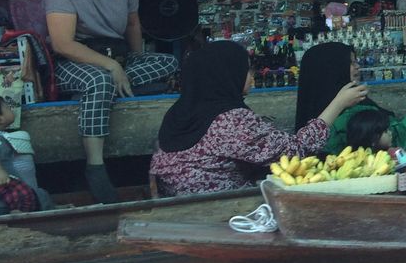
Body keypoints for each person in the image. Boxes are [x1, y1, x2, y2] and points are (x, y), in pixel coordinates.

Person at [45, 0, 179, 203]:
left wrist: (135, 56)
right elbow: (62, 44)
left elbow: (132, 22)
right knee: (99, 80)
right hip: (73, 60)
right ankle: (95, 166)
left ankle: (100, 95)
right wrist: (110, 67)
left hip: (117, 56)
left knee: (169, 62)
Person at [149, 41, 366, 196]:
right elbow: (295, 151)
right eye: (247, 69)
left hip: (179, 204)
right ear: (228, 74)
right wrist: (338, 103)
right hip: (224, 208)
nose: (252, 76)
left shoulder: (178, 112)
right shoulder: (231, 120)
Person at [294, 42, 406, 155]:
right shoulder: (345, 116)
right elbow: (399, 140)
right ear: (332, 70)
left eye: (356, 61)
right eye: (351, 63)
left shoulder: (321, 112)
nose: (358, 67)